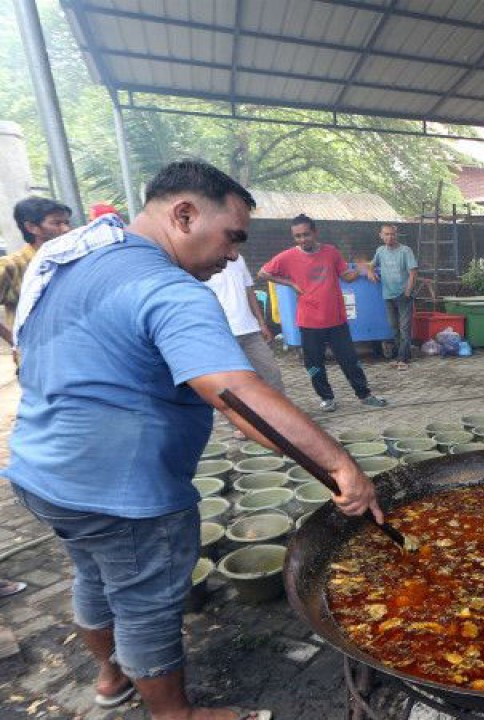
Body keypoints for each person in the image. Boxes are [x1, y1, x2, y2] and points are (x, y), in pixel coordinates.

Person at [6, 159, 384, 720]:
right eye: (233, 237)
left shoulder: (75, 262)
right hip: (122, 490)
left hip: (43, 473)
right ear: (184, 214)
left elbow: (238, 414)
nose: (234, 255)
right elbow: (236, 391)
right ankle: (174, 715)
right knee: (145, 603)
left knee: (94, 575)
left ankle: (111, 680)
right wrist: (342, 467)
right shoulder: (168, 288)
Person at [259, 214, 388, 412]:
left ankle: (365, 394)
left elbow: (346, 276)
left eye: (306, 235)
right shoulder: (287, 257)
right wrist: (291, 283)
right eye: (298, 236)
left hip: (336, 319)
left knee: (350, 360)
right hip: (309, 322)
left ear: (315, 232)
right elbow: (263, 273)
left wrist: (361, 269)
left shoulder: (331, 252)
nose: (302, 240)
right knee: (314, 364)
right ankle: (326, 398)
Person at [204, 255, 285, 394]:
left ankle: (280, 411)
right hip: (222, 334)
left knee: (272, 373)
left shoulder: (239, 259)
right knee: (232, 383)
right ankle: (242, 414)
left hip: (250, 331)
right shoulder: (201, 261)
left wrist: (261, 323)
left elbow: (249, 291)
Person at [0, 197, 73, 347]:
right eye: (56, 223)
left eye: (66, 222)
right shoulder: (13, 266)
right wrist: (16, 342)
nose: (66, 229)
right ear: (32, 227)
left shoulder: (71, 259)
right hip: (37, 359)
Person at [370, 223, 417, 370]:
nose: (390, 237)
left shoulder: (405, 251)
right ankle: (402, 355)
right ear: (381, 236)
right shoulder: (380, 251)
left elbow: (413, 272)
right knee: (394, 326)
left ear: (396, 235)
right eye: (386, 234)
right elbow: (371, 264)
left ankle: (402, 359)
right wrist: (371, 271)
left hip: (403, 295)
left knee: (404, 327)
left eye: (392, 234)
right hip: (388, 295)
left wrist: (407, 292)